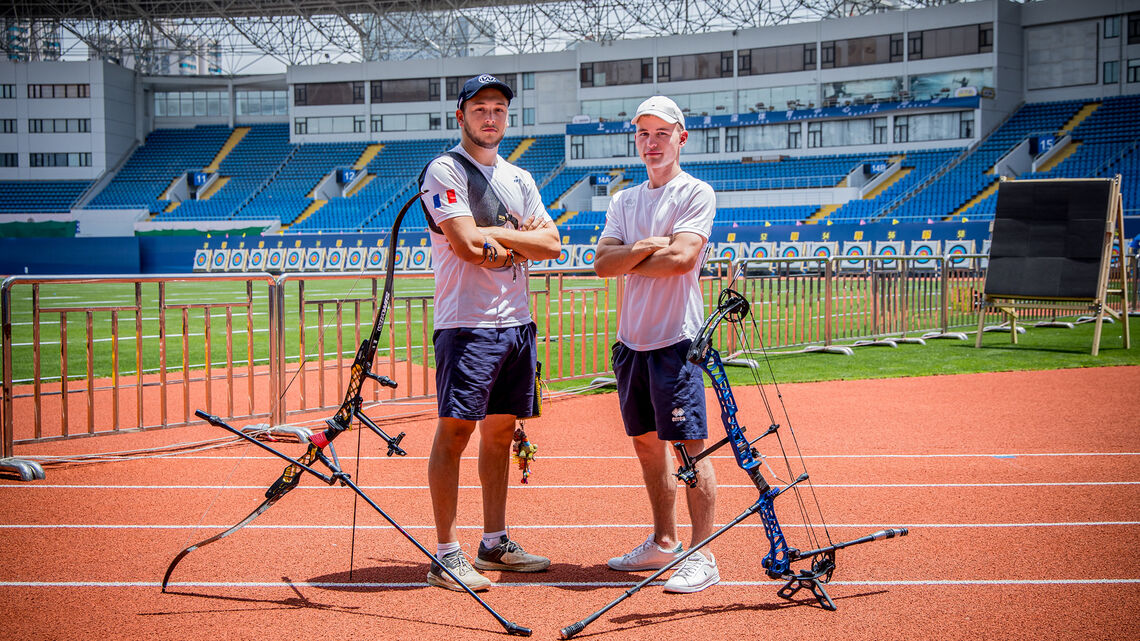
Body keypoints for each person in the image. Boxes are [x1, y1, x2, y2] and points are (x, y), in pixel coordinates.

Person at [417, 74, 561, 592]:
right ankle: (446, 553)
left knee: (501, 433)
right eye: (480, 108)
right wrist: (516, 242)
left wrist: (495, 238)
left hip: (516, 324)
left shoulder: (519, 177)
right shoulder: (444, 169)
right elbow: (462, 245)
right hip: (467, 325)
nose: (491, 117)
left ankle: (494, 541)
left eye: (499, 108)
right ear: (461, 116)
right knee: (454, 433)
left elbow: (553, 244)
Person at [593, 95, 720, 593]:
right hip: (632, 344)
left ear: (680, 138)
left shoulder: (696, 192)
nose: (651, 143)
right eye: (644, 134)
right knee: (648, 448)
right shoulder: (625, 200)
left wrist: (630, 255)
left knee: (690, 450)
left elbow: (683, 259)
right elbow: (601, 265)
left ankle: (702, 553)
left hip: (676, 342)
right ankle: (664, 542)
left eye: (661, 133)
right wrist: (647, 248)